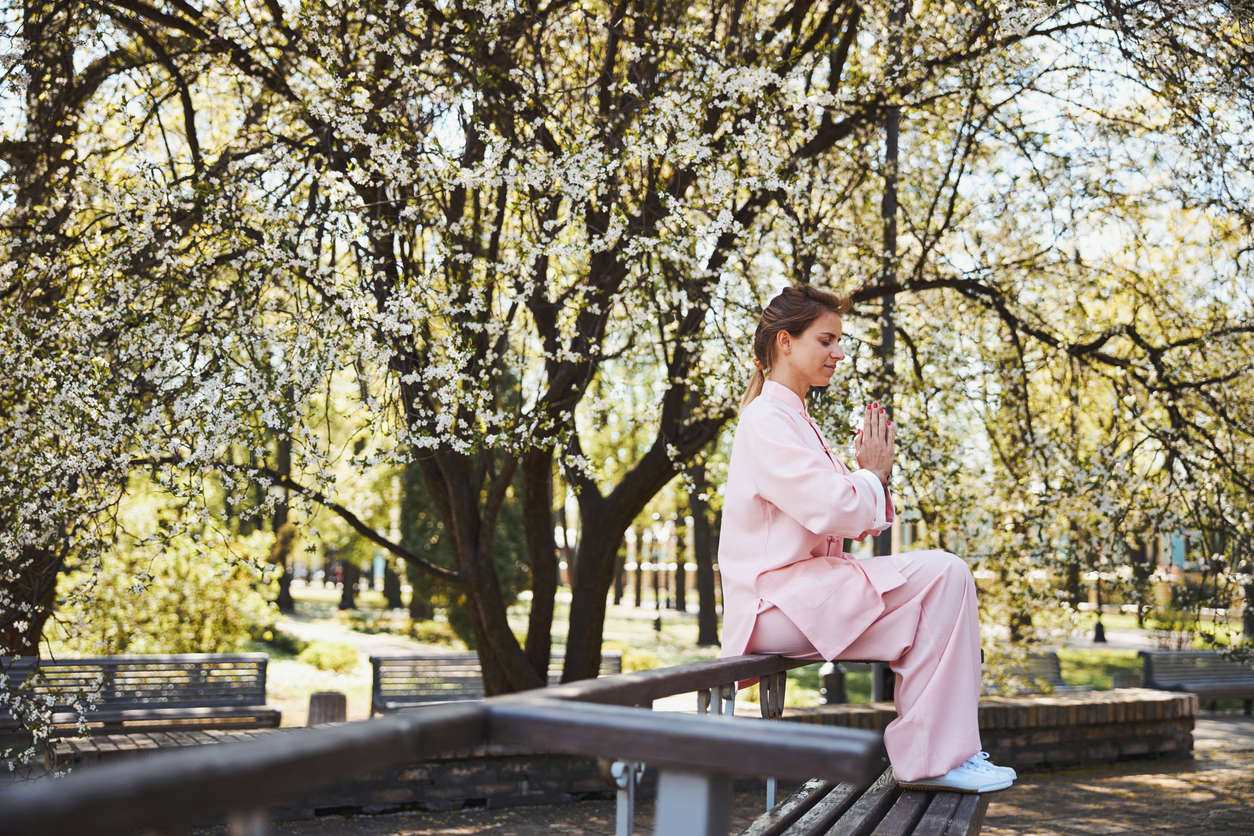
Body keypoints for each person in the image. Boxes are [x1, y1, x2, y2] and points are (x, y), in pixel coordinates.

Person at [718, 284, 1015, 793]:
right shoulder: (766, 419)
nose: (839, 353)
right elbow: (832, 508)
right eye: (827, 340)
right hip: (773, 605)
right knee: (943, 575)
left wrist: (868, 478)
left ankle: (937, 756)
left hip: (802, 594)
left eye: (841, 340)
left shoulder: (794, 418)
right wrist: (873, 476)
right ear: (785, 342)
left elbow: (842, 508)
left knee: (941, 591)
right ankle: (933, 757)